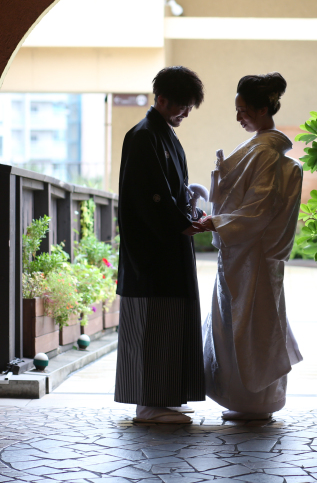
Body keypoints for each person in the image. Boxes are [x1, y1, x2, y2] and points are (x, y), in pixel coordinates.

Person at [199, 72, 304, 421]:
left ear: (262, 109)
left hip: (250, 254)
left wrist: (215, 221)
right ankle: (251, 401)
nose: (238, 116)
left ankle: (254, 403)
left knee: (249, 328)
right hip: (246, 253)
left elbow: (258, 209)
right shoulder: (265, 147)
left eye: (243, 109)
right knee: (250, 326)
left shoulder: (265, 151)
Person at [114, 66, 206, 424]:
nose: (184, 113)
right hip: (151, 252)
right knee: (153, 323)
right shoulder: (143, 136)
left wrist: (187, 208)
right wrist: (182, 222)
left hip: (168, 246)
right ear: (161, 99)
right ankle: (148, 403)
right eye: (181, 106)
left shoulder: (162, 134)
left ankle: (165, 396)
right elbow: (148, 197)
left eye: (189, 108)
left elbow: (170, 191)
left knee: (169, 322)